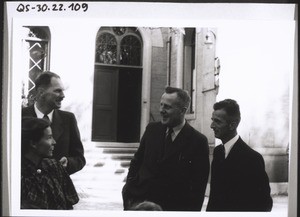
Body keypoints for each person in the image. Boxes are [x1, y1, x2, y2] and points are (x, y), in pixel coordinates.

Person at [122, 86, 210, 211]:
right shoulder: (152, 129)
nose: (161, 110)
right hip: (139, 204)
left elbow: (198, 188)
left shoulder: (198, 141)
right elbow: (136, 162)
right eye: (161, 105)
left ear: (182, 110)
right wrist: (128, 191)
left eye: (167, 107)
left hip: (172, 209)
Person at [206, 99, 273, 211]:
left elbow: (264, 204)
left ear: (232, 125)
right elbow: (214, 197)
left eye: (217, 121)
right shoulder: (218, 152)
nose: (211, 125)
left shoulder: (252, 159)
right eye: (212, 120)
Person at [22, 71, 85, 175]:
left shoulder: (68, 119)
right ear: (41, 92)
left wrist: (68, 163)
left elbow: (79, 158)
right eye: (57, 91)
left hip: (56, 187)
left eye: (62, 91)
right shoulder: (20, 116)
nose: (63, 95)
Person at [21, 117, 79, 209]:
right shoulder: (20, 177)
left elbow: (69, 204)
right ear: (33, 143)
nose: (54, 142)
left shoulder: (54, 166)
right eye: (49, 137)